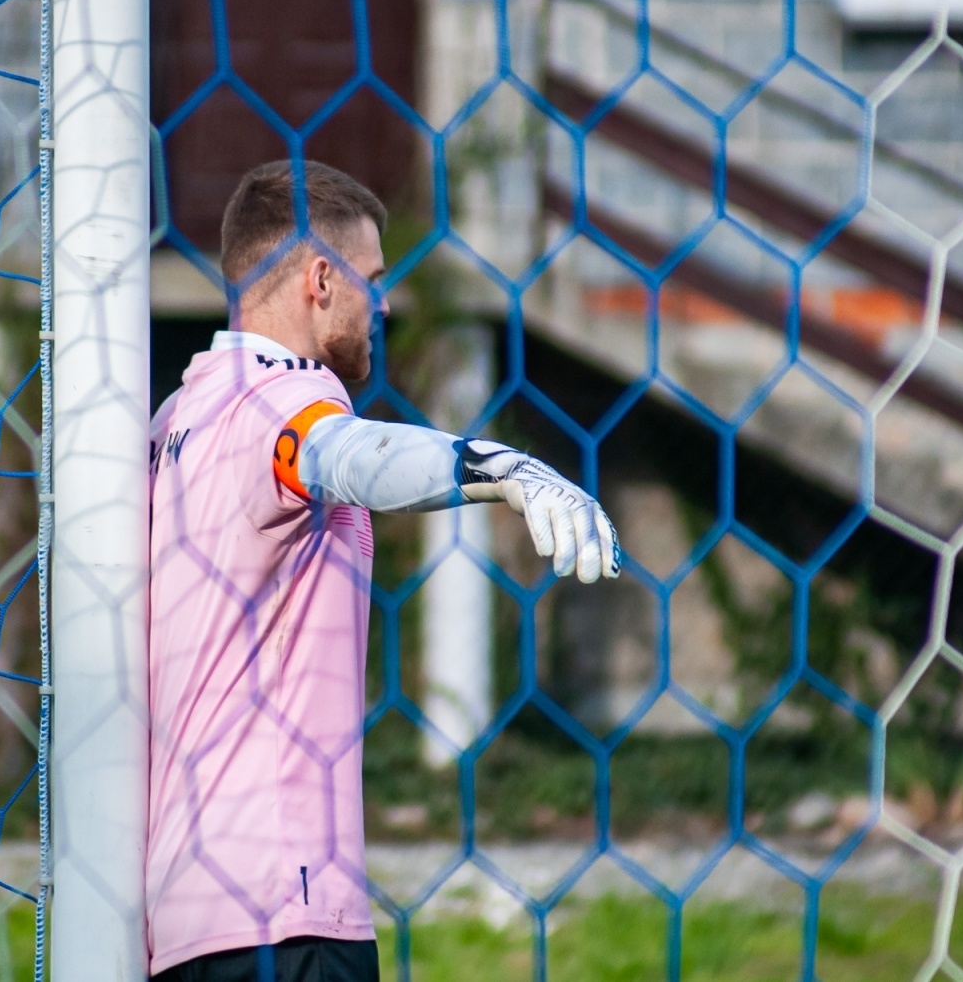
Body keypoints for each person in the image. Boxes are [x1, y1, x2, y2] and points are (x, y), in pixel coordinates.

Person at [145, 160, 621, 982]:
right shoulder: (279, 403)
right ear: (319, 281)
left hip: (180, 919)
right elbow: (351, 454)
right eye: (372, 279)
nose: (387, 303)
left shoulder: (172, 421)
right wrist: (500, 467)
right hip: (281, 914)